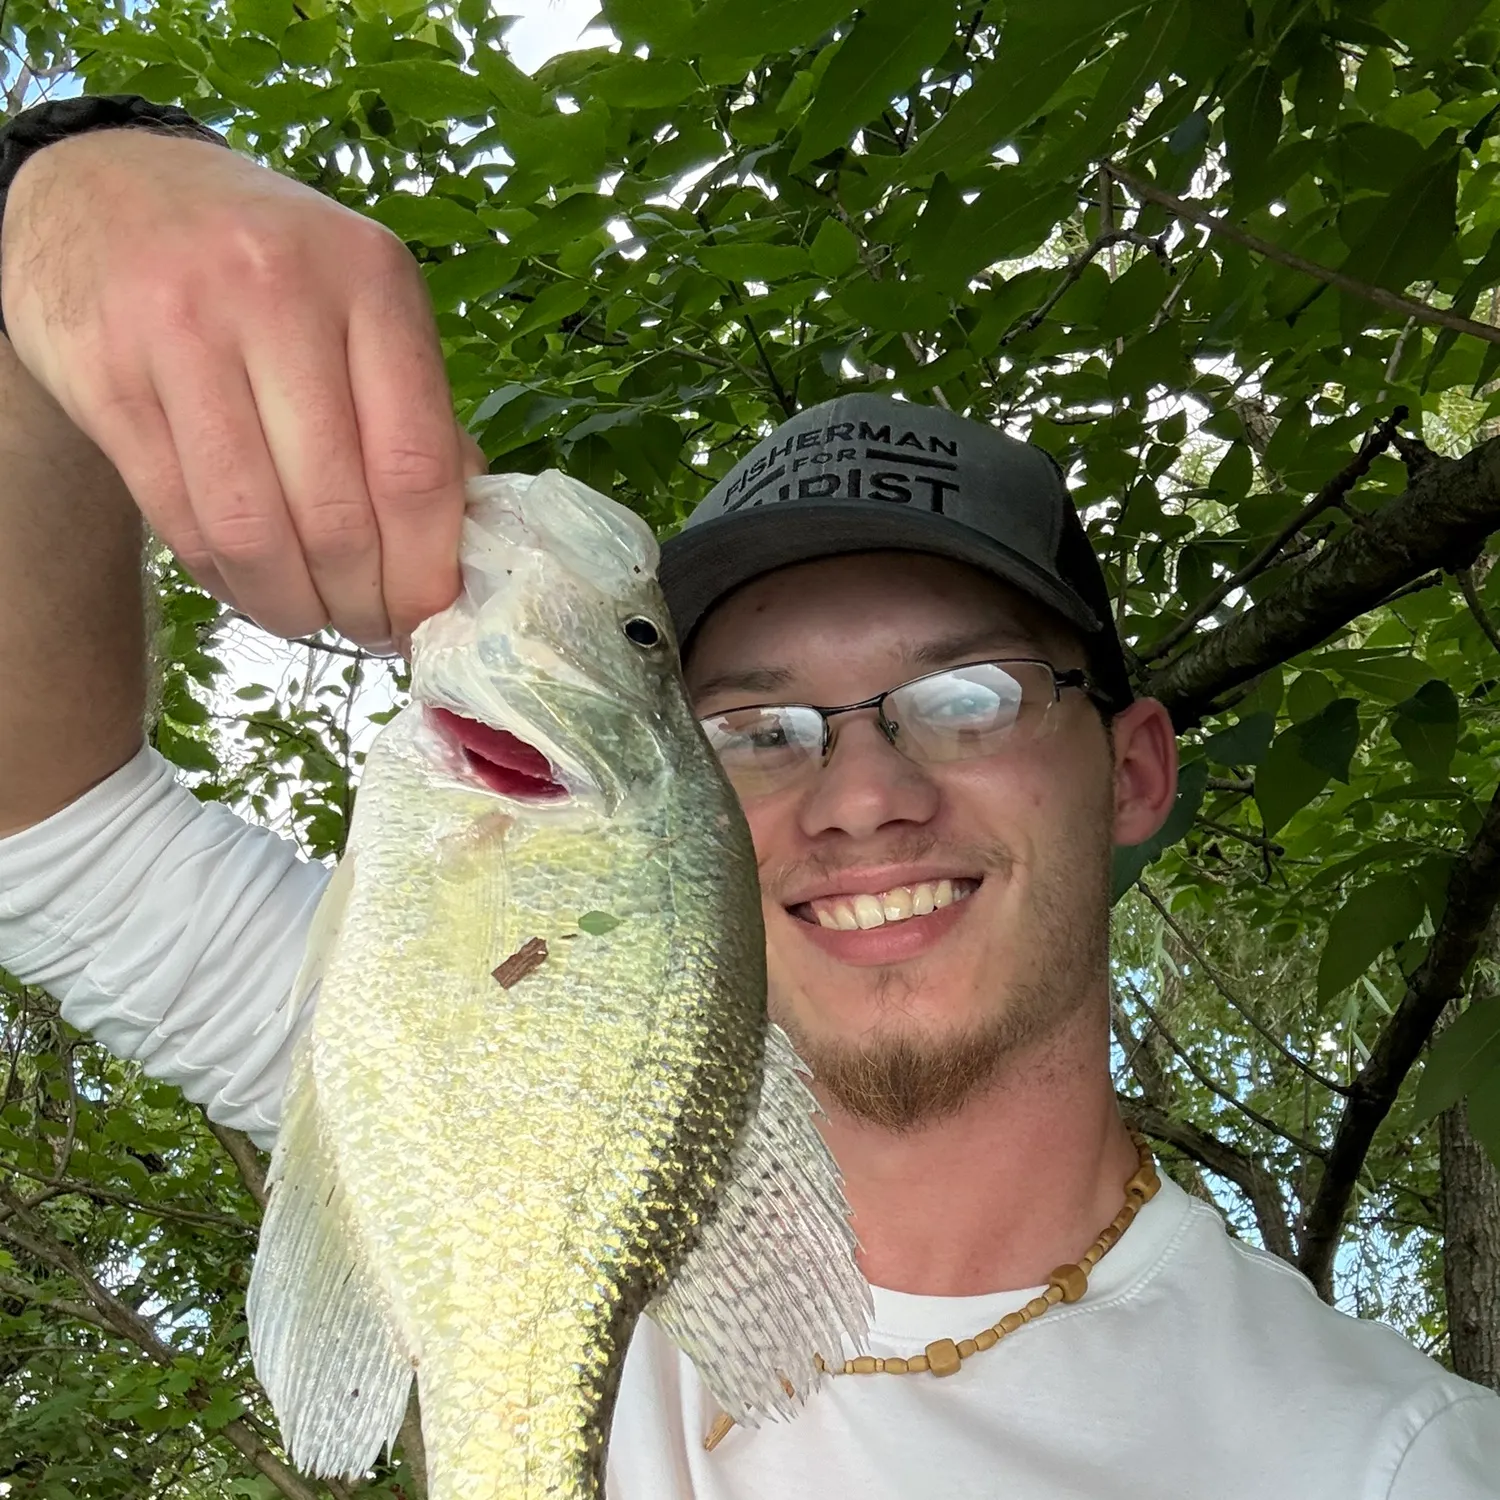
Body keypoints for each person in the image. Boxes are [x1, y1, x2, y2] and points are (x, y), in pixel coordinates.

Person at [1, 98, 1498, 1499]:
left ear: (1133, 769)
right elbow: (44, 828)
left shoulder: (1393, 1461)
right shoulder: (460, 1040)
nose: (862, 795)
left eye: (962, 697)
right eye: (755, 728)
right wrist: (62, 196)